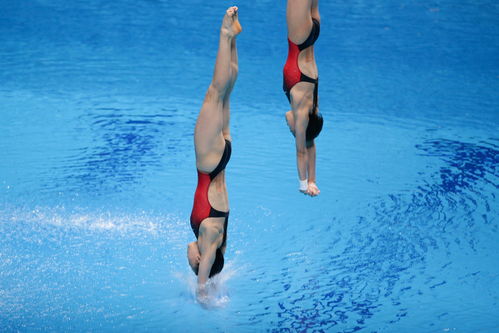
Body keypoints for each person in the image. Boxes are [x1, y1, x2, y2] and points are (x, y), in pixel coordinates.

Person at [187, 6, 242, 298]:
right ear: (200, 262)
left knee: (227, 90)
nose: (188, 260)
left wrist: (216, 277)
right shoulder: (208, 237)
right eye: (195, 264)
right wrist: (202, 288)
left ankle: (232, 39)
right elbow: (208, 260)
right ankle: (225, 34)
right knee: (215, 92)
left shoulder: (220, 237)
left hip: (222, 159)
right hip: (209, 162)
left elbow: (217, 258)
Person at [283, 0, 323, 197]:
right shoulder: (301, 114)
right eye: (292, 131)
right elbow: (301, 151)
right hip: (299, 39)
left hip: (313, 32)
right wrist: (303, 184)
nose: (288, 126)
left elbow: (310, 145)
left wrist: (313, 180)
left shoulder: (314, 106)